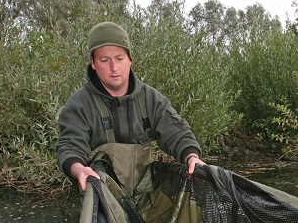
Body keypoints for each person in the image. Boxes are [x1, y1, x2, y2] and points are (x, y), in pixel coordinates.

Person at [56, 21, 205, 193]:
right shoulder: (79, 103)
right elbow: (69, 147)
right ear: (93, 63)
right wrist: (79, 169)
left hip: (146, 194)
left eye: (119, 59)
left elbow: (177, 132)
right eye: (105, 60)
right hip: (101, 196)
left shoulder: (151, 98)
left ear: (130, 60)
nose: (114, 68)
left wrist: (192, 157)